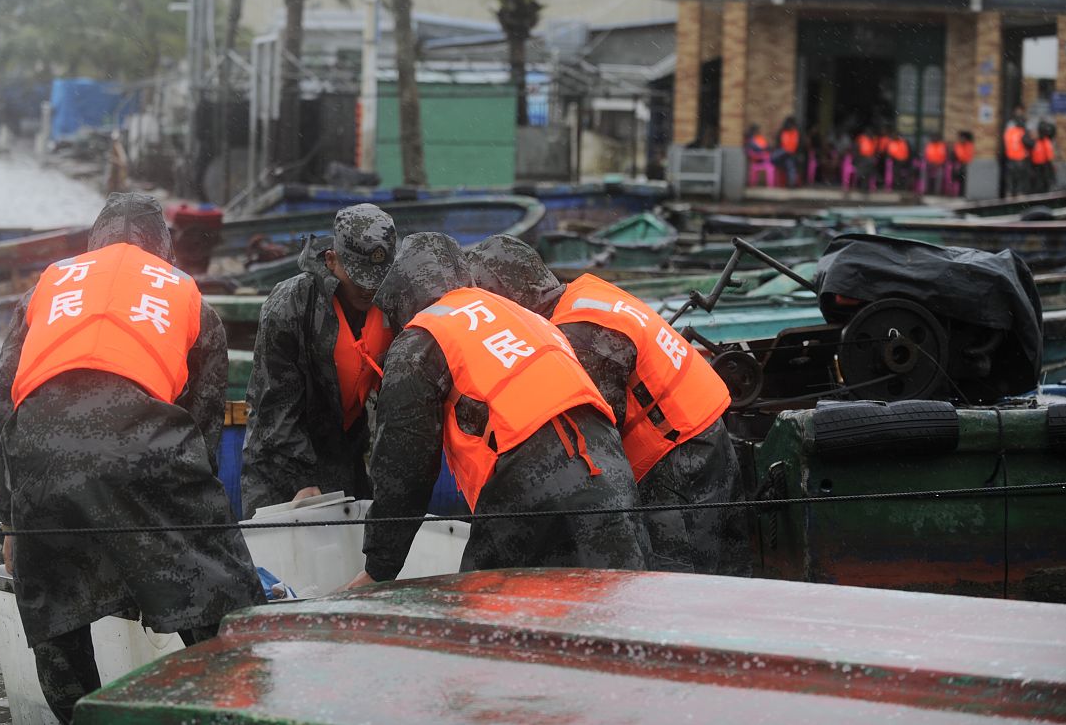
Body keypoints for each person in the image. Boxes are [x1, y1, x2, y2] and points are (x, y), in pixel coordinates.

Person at [0, 192, 264, 723]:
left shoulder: (45, 287)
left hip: (38, 457)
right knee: (223, 605)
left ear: (94, 242)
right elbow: (201, 431)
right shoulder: (188, 297)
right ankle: (237, 708)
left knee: (58, 619)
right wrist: (177, 538)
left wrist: (9, 521)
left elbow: (3, 405)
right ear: (164, 250)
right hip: (146, 446)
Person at [344, 232, 650, 588]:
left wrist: (379, 567)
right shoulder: (519, 313)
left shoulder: (421, 340)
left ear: (401, 293)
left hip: (528, 483)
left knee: (489, 613)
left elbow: (402, 468)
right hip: (612, 474)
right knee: (618, 605)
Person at [467, 235, 752, 576]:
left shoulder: (577, 336)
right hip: (708, 431)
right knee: (729, 576)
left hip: (677, 459)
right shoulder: (587, 294)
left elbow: (598, 442)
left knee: (680, 586)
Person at [241, 204, 396, 514]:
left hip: (345, 455)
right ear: (331, 260)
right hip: (279, 464)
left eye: (378, 277)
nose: (369, 287)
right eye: (359, 277)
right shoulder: (290, 306)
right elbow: (275, 410)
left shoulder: (394, 304)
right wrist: (302, 478)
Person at [1003, 114, 1032, 197]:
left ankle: (1008, 194)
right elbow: (1029, 143)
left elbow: (1006, 143)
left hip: (1010, 158)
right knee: (1020, 178)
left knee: (1010, 179)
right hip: (1020, 159)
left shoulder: (1009, 132)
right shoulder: (1022, 132)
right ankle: (1019, 195)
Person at [773, 116, 802, 187]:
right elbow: (778, 145)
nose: (793, 127)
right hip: (781, 155)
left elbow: (799, 146)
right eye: (791, 125)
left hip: (791, 156)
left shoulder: (797, 133)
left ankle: (791, 183)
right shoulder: (782, 132)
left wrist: (793, 153)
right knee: (781, 153)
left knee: (789, 164)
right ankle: (792, 182)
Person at [1030, 121, 1055, 195]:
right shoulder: (1036, 141)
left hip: (1043, 167)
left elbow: (1049, 158)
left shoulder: (1046, 142)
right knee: (1036, 185)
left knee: (1042, 185)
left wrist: (1051, 171)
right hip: (1035, 166)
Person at [854, 126, 878, 193]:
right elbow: (856, 148)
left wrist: (874, 158)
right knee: (861, 173)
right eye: (868, 132)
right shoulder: (861, 138)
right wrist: (857, 158)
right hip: (862, 158)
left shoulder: (873, 139)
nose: (870, 134)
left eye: (871, 133)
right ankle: (861, 187)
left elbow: (875, 150)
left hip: (870, 159)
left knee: (867, 174)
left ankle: (865, 188)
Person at [952, 131, 974, 196]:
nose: (961, 139)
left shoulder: (969, 145)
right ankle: (958, 192)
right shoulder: (957, 145)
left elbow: (969, 155)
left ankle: (964, 193)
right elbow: (956, 154)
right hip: (959, 164)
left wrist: (966, 162)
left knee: (965, 179)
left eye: (963, 138)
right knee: (958, 179)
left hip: (967, 164)